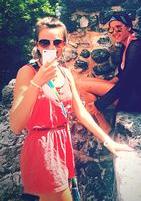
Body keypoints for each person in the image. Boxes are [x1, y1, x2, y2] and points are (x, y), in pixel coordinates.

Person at [9, 17, 133, 201]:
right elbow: (15, 125)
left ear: (64, 44)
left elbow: (81, 112)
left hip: (62, 146)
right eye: (45, 42)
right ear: (37, 45)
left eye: (57, 42)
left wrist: (108, 141)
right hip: (42, 149)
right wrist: (37, 82)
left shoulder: (65, 73)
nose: (51, 47)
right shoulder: (27, 72)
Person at [77, 12, 141, 134]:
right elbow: (122, 75)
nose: (115, 32)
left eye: (119, 28)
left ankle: (102, 125)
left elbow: (126, 82)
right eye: (112, 29)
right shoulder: (126, 45)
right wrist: (103, 84)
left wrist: (100, 104)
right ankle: (103, 124)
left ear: (128, 27)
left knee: (82, 86)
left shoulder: (135, 47)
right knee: (82, 82)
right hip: (128, 92)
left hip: (136, 99)